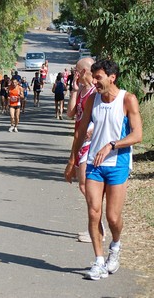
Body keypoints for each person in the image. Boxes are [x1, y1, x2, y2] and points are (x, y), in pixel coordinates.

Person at [67, 59, 142, 281]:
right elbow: (81, 131)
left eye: (98, 77)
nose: (95, 82)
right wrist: (72, 161)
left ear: (112, 77)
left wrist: (112, 144)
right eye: (94, 77)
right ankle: (99, 261)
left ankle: (115, 249)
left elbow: (138, 135)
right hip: (94, 164)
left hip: (117, 164)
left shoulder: (127, 100)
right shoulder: (93, 99)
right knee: (93, 211)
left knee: (112, 217)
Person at [64, 57, 98, 243]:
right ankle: (94, 225)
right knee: (83, 186)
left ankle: (97, 226)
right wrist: (74, 91)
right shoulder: (83, 90)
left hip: (89, 145)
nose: (74, 73)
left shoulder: (95, 92)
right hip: (79, 142)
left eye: (76, 70)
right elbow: (70, 114)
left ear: (84, 71)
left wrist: (91, 129)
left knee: (87, 186)